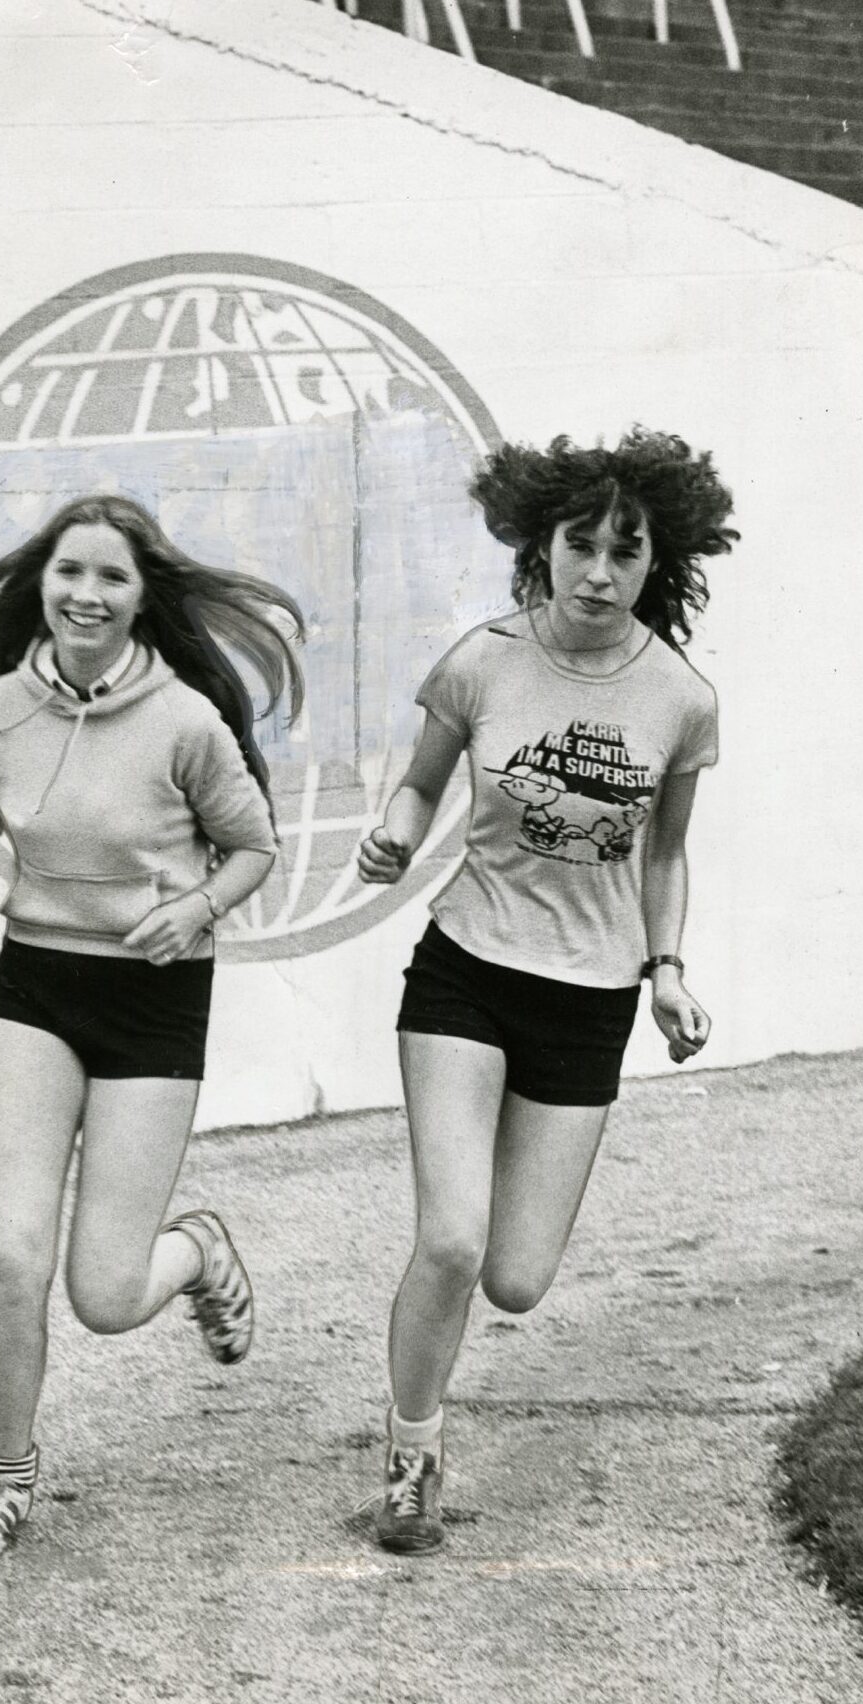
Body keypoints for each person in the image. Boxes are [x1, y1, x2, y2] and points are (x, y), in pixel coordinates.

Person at [357, 428, 737, 1554]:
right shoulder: (481, 662)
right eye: (582, 544)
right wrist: (391, 834)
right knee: (454, 1244)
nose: (600, 571)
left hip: (589, 1000)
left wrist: (666, 972)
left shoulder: (682, 698)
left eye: (627, 551)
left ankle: (423, 1417)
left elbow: (664, 855)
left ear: (655, 563)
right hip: (466, 973)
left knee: (518, 1280)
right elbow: (416, 788)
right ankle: (413, 1454)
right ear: (545, 544)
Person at [0, 493, 303, 1563]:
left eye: (112, 577)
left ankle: (198, 1248)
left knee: (104, 1292)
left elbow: (254, 846)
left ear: (142, 598)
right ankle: (3, 1479)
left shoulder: (185, 721)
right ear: (42, 580)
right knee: (8, 1253)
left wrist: (198, 906)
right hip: (36, 987)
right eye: (70, 572)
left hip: (153, 999)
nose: (86, 594)